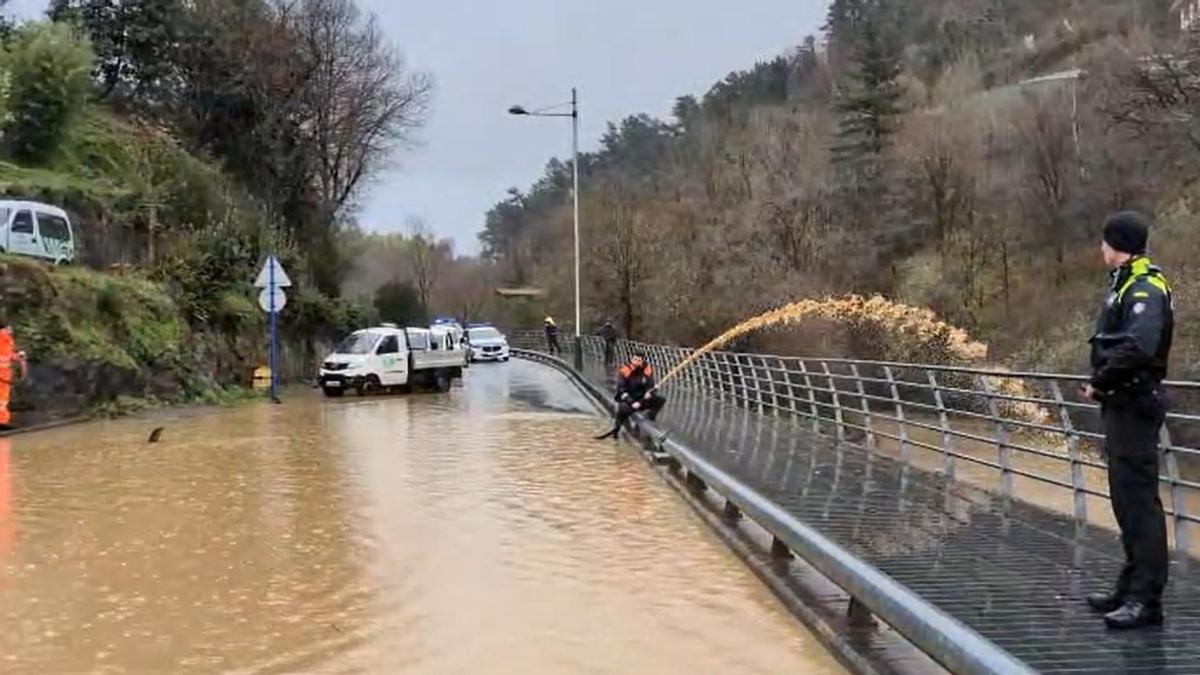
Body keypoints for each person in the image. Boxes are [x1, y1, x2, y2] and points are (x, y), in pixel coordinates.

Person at [1084, 211, 1174, 630]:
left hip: (1136, 405)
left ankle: (1146, 601)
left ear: (1115, 243)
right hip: (1121, 406)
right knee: (1125, 501)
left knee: (1140, 505)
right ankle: (1129, 586)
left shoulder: (1145, 287)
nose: (1100, 248)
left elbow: (1140, 345)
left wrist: (1101, 380)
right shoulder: (1123, 284)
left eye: (1104, 241)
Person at [595, 352, 666, 441]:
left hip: (642, 398)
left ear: (642, 362)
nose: (636, 362)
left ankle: (649, 417)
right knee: (623, 409)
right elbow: (621, 389)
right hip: (628, 398)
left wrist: (652, 392)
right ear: (632, 359)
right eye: (634, 360)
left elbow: (650, 385)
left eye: (639, 360)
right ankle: (616, 430)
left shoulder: (647, 370)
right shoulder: (625, 370)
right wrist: (631, 402)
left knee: (660, 400)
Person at [0, 318, 27, 431]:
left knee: (3, 399)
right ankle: (2, 422)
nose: (11, 330)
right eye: (9, 328)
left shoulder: (7, 340)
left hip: (4, 374)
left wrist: (17, 356)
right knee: (2, 399)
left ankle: (3, 421)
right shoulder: (4, 338)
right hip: (2, 374)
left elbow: (7, 354)